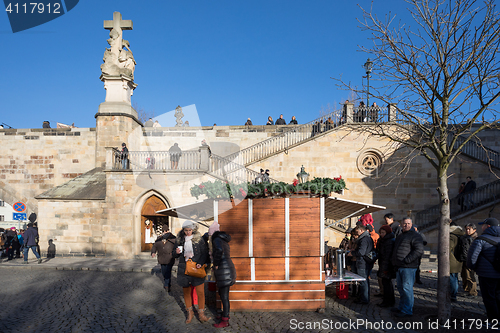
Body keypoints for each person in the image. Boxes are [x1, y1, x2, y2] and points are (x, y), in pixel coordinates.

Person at [173, 220, 210, 324]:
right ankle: (190, 312)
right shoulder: (179, 240)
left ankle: (201, 314)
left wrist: (201, 262)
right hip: (184, 269)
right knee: (186, 292)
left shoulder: (199, 239)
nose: (188, 232)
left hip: (197, 268)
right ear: (183, 230)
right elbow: (173, 254)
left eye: (190, 230)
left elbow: (205, 253)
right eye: (186, 230)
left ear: (193, 230)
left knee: (201, 292)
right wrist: (175, 252)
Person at [467, 217, 500, 322]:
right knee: (498, 296)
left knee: (489, 298)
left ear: (488, 226)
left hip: (487, 275)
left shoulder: (480, 240)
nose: (482, 227)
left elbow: (472, 258)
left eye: (483, 225)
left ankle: (494, 321)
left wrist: (473, 268)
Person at [391, 217, 424, 317]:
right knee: (401, 288)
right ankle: (401, 307)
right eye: (405, 223)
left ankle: (407, 310)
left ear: (412, 224)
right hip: (399, 266)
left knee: (407, 288)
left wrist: (407, 260)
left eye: (408, 223)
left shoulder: (416, 236)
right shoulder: (400, 235)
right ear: (401, 224)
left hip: (408, 267)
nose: (407, 225)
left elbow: (419, 250)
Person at [210, 222, 236, 328]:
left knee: (224, 296)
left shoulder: (216, 239)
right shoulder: (223, 240)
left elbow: (219, 250)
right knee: (222, 294)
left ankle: (225, 320)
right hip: (227, 270)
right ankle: (224, 315)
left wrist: (216, 264)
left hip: (224, 271)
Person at [348, 225, 374, 304]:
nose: (356, 234)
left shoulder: (364, 239)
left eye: (357, 232)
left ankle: (364, 299)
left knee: (363, 281)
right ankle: (363, 297)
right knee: (364, 281)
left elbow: (361, 252)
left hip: (363, 263)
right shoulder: (367, 238)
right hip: (365, 262)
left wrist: (352, 253)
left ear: (361, 230)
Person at [377, 225, 396, 307]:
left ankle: (388, 301)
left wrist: (385, 269)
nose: (381, 234)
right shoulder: (383, 240)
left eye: (383, 232)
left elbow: (387, 256)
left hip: (387, 266)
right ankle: (388, 300)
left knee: (387, 284)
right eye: (381, 233)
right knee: (386, 283)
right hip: (383, 264)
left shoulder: (389, 241)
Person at [458, 223, 478, 297]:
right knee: (464, 275)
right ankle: (466, 290)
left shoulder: (475, 238)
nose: (467, 230)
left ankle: (473, 291)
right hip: (463, 258)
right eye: (466, 229)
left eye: (469, 229)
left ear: (474, 230)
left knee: (470, 276)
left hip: (470, 260)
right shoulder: (464, 237)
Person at [449, 222, 464, 302]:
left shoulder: (452, 236)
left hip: (451, 261)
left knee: (452, 279)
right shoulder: (460, 234)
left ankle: (453, 295)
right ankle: (454, 293)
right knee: (455, 278)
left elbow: (447, 248)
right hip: (457, 260)